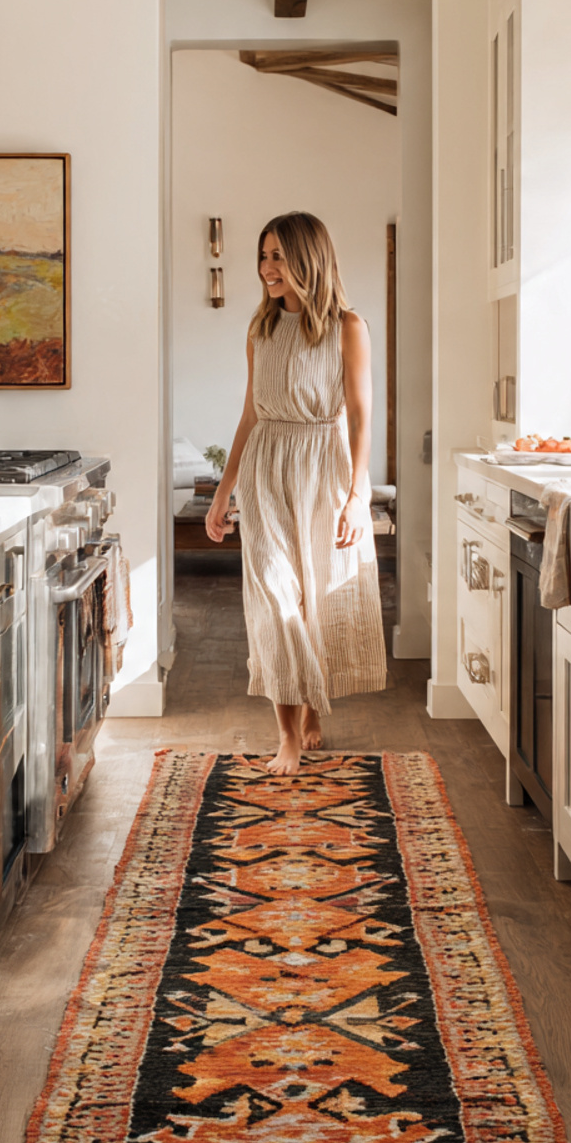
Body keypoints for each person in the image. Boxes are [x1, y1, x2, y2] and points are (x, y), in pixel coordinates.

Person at [205, 211, 387, 775]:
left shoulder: (347, 327)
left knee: (317, 598)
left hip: (322, 468)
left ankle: (311, 706)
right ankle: (285, 733)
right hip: (266, 468)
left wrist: (357, 495)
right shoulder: (259, 329)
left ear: (309, 259)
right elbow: (250, 414)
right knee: (275, 599)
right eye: (264, 256)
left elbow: (360, 416)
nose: (267, 267)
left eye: (279, 256)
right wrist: (224, 490)